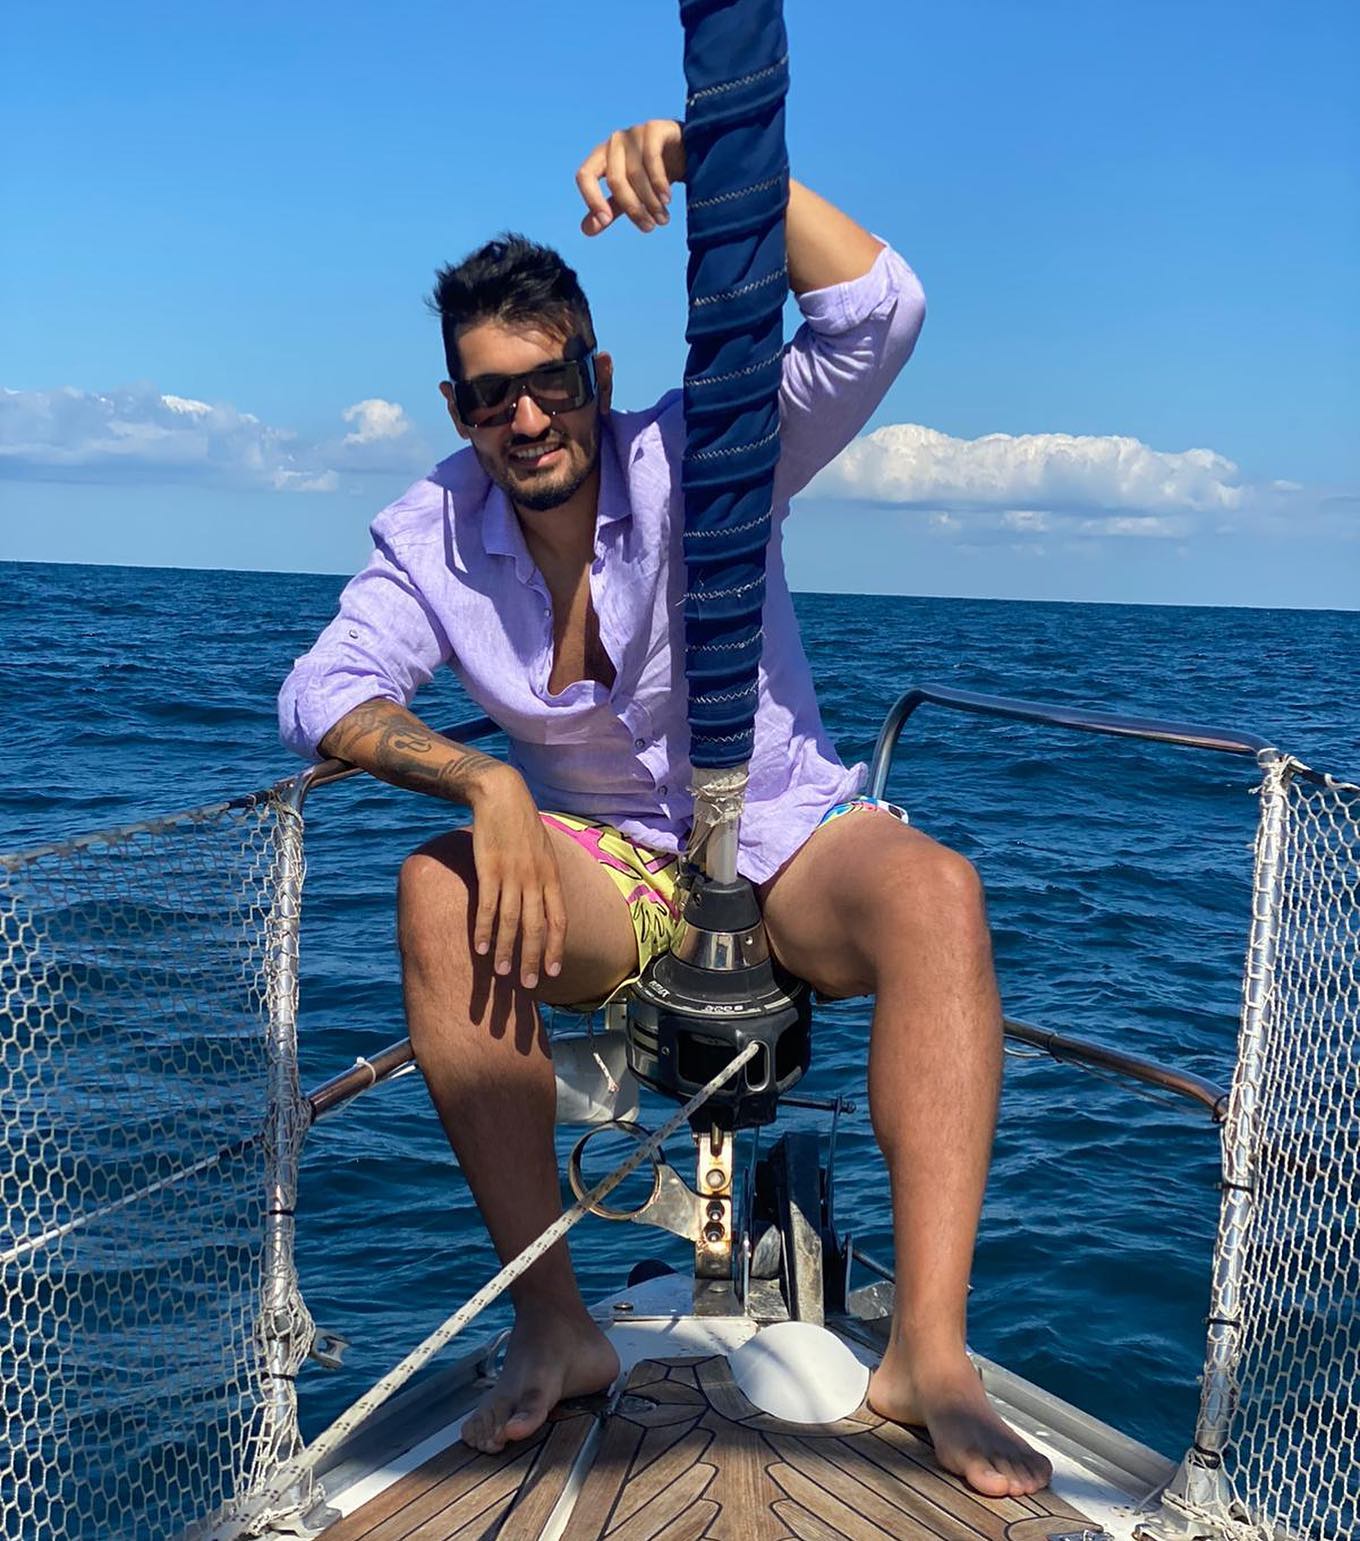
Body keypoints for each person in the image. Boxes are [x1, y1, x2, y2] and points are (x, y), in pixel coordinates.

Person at [279, 118, 1052, 1499]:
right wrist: (483, 779)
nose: (526, 419)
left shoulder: (707, 452)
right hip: (613, 869)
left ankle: (930, 1358)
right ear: (456, 410)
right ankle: (556, 1324)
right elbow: (321, 688)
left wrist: (711, 161)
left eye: (550, 382)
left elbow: (880, 312)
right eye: (490, 398)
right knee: (434, 890)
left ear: (597, 375)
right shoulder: (433, 534)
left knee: (940, 894)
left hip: (791, 836)